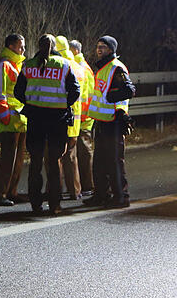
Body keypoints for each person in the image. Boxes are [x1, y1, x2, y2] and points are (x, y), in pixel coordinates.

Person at [14, 34, 80, 215]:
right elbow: (75, 91)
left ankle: (36, 203)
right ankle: (54, 204)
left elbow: (18, 91)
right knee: (54, 162)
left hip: (35, 118)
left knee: (35, 162)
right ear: (54, 46)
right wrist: (62, 104)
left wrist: (31, 102)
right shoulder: (64, 65)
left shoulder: (28, 65)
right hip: (56, 119)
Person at [83, 35, 136, 209]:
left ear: (111, 50)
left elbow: (129, 89)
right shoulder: (103, 68)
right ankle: (101, 195)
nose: (99, 49)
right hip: (102, 121)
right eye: (98, 46)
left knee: (114, 161)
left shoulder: (116, 68)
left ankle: (121, 197)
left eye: (103, 47)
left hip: (113, 121)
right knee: (99, 162)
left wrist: (112, 96)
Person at [0, 33, 26, 205]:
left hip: (19, 119)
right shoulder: (3, 65)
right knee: (8, 157)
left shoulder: (16, 66)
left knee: (18, 158)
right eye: (20, 46)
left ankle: (11, 191)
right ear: (11, 46)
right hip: (10, 118)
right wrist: (5, 117)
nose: (23, 49)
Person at [54, 35, 82, 200]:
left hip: (60, 118)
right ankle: (75, 191)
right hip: (76, 119)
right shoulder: (77, 66)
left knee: (56, 155)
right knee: (72, 157)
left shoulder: (59, 66)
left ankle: (55, 190)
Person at [69, 39, 95, 199]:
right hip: (81, 117)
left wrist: (83, 117)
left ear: (75, 51)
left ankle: (89, 186)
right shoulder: (80, 67)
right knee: (80, 154)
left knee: (85, 152)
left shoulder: (82, 68)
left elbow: (88, 95)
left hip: (84, 119)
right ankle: (85, 186)